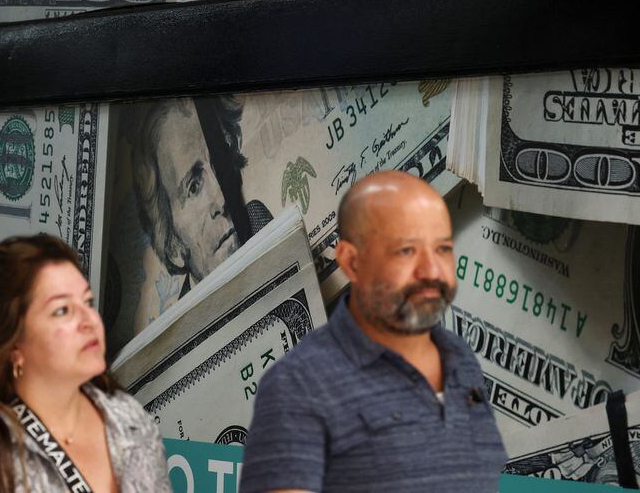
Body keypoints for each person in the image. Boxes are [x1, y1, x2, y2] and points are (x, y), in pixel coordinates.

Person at [240, 171, 507, 493]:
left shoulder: (459, 358)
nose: (432, 271)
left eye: (442, 249)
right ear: (352, 263)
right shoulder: (295, 386)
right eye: (406, 250)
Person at [0, 235, 171, 493]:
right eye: (62, 311)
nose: (89, 319)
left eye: (87, 302)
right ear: (14, 344)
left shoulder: (128, 419)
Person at [129, 96, 253, 297]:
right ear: (172, 246)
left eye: (220, 159)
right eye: (194, 187)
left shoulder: (264, 220)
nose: (222, 199)